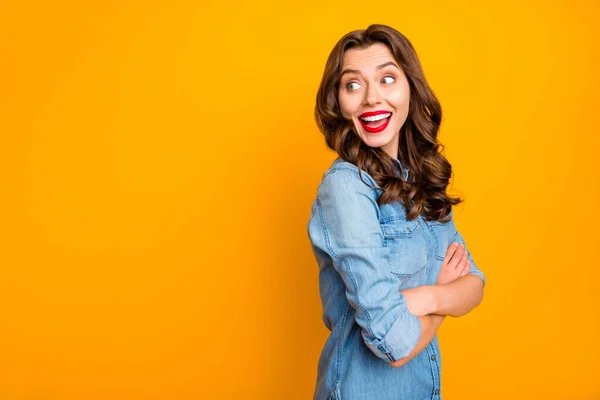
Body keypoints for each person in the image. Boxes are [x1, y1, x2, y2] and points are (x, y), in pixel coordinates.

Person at [306, 24, 486, 400]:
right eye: (352, 85)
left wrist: (426, 298)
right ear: (338, 101)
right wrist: (442, 298)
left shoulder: (422, 182)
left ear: (410, 88)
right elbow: (393, 342)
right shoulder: (345, 187)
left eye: (387, 79)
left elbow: (474, 285)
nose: (372, 98)